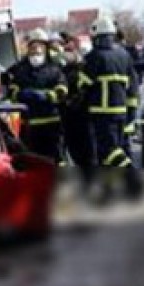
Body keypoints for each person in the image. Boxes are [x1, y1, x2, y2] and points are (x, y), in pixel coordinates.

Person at [80, 16, 144, 201]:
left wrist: (76, 97)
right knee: (109, 152)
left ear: (97, 36)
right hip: (121, 112)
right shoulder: (124, 56)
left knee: (110, 151)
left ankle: (133, 177)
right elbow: (133, 88)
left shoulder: (94, 56)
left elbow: (85, 84)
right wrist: (131, 115)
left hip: (102, 113)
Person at [5, 29, 68, 161]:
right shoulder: (20, 70)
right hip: (29, 126)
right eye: (33, 47)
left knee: (57, 160)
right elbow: (12, 90)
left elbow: (62, 90)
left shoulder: (54, 68)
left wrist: (47, 96)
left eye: (40, 47)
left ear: (46, 48)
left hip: (52, 125)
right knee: (34, 161)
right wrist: (21, 94)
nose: (36, 51)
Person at [59, 33, 96, 186]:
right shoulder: (62, 71)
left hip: (83, 116)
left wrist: (75, 101)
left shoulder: (84, 69)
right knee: (77, 152)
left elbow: (88, 89)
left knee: (86, 153)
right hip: (70, 117)